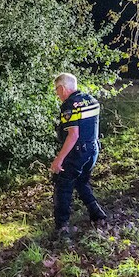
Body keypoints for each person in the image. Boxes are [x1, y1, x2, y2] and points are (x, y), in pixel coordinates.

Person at [51, 72, 108, 239]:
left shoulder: (69, 105)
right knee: (81, 181)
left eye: (57, 90)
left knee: (63, 184)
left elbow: (73, 135)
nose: (57, 94)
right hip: (93, 150)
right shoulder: (91, 99)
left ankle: (62, 228)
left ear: (62, 88)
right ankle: (97, 213)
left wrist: (59, 159)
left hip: (77, 151)